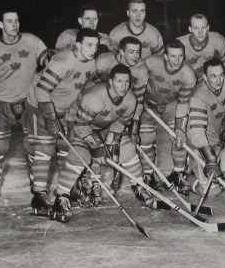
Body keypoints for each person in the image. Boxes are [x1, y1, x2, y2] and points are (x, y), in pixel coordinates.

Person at [51, 64, 161, 222]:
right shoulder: (94, 98)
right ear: (111, 82)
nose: (123, 86)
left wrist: (112, 146)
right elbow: (81, 125)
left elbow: (118, 126)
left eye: (126, 82)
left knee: (128, 149)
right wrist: (98, 147)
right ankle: (61, 197)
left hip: (103, 126)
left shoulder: (130, 100)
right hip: (78, 124)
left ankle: (139, 187)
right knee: (81, 155)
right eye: (119, 81)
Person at [0, 9, 51, 208]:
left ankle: (39, 190)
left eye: (17, 21)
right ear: (1, 24)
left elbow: (49, 61)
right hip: (1, 103)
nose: (14, 25)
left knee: (36, 144)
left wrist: (46, 67)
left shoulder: (32, 41)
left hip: (29, 101)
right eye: (9, 21)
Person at [22, 28, 99, 213]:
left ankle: (66, 189)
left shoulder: (91, 62)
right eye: (89, 45)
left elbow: (84, 88)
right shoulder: (62, 62)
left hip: (65, 110)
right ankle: (39, 194)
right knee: (45, 147)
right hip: (40, 106)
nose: (93, 49)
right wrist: (50, 118)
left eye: (96, 46)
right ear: (78, 45)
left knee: (66, 147)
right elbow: (42, 91)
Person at [138, 39, 197, 194]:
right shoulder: (150, 63)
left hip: (171, 105)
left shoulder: (189, 75)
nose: (177, 60)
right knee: (145, 140)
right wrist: (140, 101)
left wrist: (179, 128)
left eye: (180, 56)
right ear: (165, 56)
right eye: (173, 56)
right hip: (148, 105)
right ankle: (148, 176)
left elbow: (183, 103)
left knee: (179, 139)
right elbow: (135, 83)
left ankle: (178, 173)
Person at [187, 58, 225, 195]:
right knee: (210, 191)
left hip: (218, 137)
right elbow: (197, 132)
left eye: (221, 75)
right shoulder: (198, 96)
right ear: (205, 77)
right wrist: (210, 160)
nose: (218, 80)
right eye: (213, 76)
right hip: (202, 143)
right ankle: (185, 177)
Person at [177, 14, 225, 81]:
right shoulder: (180, 44)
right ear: (190, 29)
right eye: (196, 28)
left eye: (203, 28)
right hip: (188, 81)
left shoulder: (218, 41)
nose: (200, 32)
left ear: (208, 28)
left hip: (211, 81)